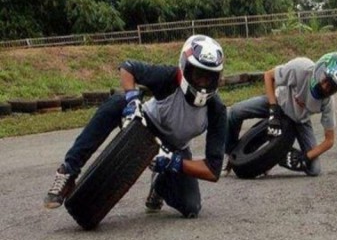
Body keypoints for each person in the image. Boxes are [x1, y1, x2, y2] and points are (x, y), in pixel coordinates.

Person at [43, 35, 227, 219]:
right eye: (198, 74)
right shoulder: (169, 77)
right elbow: (128, 67)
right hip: (145, 125)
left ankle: (160, 184)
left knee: (191, 205)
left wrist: (174, 162)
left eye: (209, 77)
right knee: (118, 101)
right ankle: (68, 170)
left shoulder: (217, 110)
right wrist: (132, 99)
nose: (203, 82)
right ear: (184, 67)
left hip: (175, 150)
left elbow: (212, 170)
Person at [225, 52, 337, 176]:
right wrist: (273, 109)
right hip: (279, 103)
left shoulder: (327, 102)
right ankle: (231, 153)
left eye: (332, 87)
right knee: (235, 112)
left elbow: (329, 140)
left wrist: (304, 157)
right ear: (320, 69)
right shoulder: (300, 68)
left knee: (314, 169)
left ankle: (280, 153)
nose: (326, 88)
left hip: (299, 121)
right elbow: (269, 76)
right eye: (326, 81)